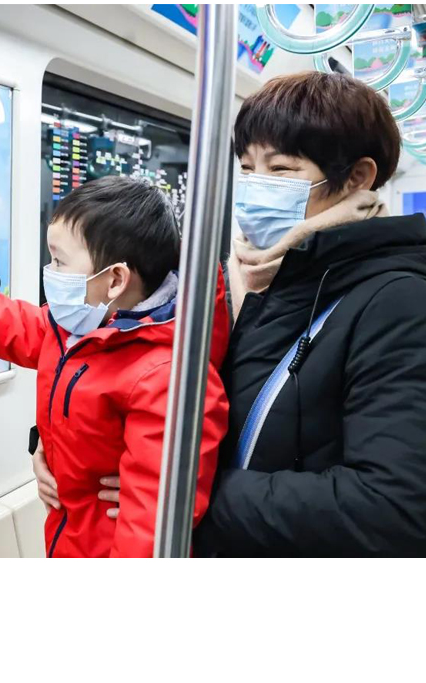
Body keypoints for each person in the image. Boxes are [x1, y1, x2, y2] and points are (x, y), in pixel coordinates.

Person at [66, 72, 426, 556]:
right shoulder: (231, 278)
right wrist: (65, 447)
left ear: (357, 178)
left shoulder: (397, 301)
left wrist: (191, 495)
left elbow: (393, 507)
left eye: (281, 169)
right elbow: (141, 374)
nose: (256, 186)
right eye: (247, 167)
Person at [0, 176, 229, 557]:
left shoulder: (167, 379)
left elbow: (150, 527)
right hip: (68, 535)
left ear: (115, 280)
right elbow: (6, 321)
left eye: (60, 261)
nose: (51, 271)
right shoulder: (80, 329)